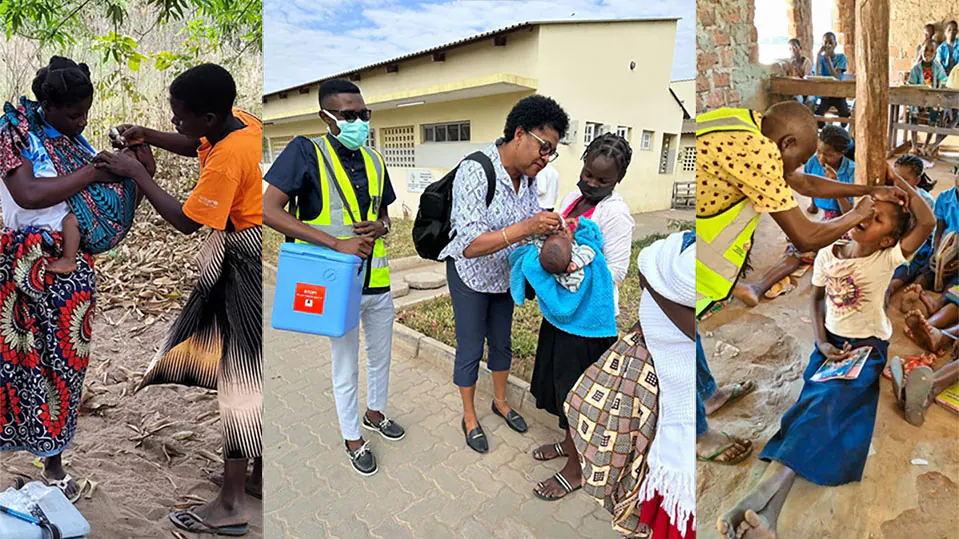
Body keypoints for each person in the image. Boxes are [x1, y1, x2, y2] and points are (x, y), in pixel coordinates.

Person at [717, 172, 935, 538]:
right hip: (830, 345)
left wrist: (896, 181)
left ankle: (764, 492)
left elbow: (926, 221)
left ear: (888, 238)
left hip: (866, 349)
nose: (865, 215)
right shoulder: (827, 252)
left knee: (825, 404)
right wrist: (820, 342)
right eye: (865, 208)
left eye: (876, 217)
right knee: (812, 406)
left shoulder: (886, 259)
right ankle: (769, 518)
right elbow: (816, 299)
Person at [101, 63, 263, 535]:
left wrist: (134, 171)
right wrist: (147, 134)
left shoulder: (228, 160)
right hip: (247, 250)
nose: (175, 124)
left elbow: (187, 220)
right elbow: (198, 143)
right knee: (244, 361)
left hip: (243, 264)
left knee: (241, 376)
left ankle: (231, 504)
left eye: (180, 117)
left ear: (211, 117)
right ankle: (255, 474)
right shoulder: (245, 124)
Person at [695, 102, 906, 464]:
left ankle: (707, 394)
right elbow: (807, 237)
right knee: (680, 343)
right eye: (798, 158)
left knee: (688, 336)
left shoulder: (744, 122)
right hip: (697, 267)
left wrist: (870, 187)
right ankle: (698, 435)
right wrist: (856, 212)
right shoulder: (759, 153)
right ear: (787, 143)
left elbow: (801, 181)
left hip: (700, 264)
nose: (795, 169)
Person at [0, 56, 148, 501]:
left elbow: (121, 188)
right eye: (72, 114)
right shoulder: (15, 133)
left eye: (86, 112)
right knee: (13, 364)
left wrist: (136, 156)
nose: (81, 121)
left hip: (70, 274)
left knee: (63, 369)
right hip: (21, 264)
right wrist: (92, 172)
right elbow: (27, 194)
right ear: (46, 104)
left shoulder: (71, 140)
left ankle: (53, 463)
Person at [262, 79, 404, 476]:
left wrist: (381, 226)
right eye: (349, 115)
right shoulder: (305, 152)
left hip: (377, 281)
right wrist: (333, 243)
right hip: (334, 282)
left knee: (380, 358)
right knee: (346, 365)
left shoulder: (376, 159)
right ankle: (352, 438)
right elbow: (268, 209)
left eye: (364, 114)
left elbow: (386, 215)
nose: (359, 121)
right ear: (325, 117)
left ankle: (375, 413)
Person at [438, 94, 568, 454]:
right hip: (470, 274)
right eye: (544, 148)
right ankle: (468, 416)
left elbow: (528, 226)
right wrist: (526, 227)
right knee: (469, 346)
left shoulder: (527, 178)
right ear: (520, 134)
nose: (546, 159)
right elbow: (469, 244)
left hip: (502, 275)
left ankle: (500, 401)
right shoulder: (475, 170)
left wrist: (553, 231)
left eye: (551, 153)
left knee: (502, 342)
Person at [524, 133, 634, 500]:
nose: (591, 183)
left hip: (587, 323)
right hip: (561, 313)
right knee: (559, 389)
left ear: (618, 178)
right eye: (588, 174)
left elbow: (616, 272)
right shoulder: (573, 199)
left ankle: (576, 470)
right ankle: (567, 445)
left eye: (603, 180)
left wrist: (572, 265)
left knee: (579, 397)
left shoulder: (616, 215)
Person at [735, 126, 856, 307]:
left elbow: (850, 214)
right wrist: (813, 207)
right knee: (799, 244)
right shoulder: (814, 162)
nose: (822, 158)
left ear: (841, 153)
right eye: (819, 151)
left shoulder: (852, 171)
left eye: (829, 154)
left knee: (814, 249)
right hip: (825, 217)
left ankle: (758, 288)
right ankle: (757, 288)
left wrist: (836, 185)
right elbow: (810, 187)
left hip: (845, 222)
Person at [887, 178, 958, 300]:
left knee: (953, 288)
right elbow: (939, 230)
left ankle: (939, 305)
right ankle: (906, 288)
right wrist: (936, 254)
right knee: (922, 265)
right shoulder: (944, 197)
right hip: (943, 248)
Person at [907, 39, 948, 153]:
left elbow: (944, 80)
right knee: (913, 113)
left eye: (931, 51)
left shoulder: (938, 67)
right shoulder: (916, 68)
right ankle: (914, 145)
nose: (928, 53)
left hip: (932, 99)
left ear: (935, 53)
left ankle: (926, 144)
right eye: (925, 50)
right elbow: (911, 85)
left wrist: (941, 84)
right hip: (918, 99)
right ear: (921, 51)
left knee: (934, 112)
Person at [813, 32, 850, 127]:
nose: (828, 45)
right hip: (826, 94)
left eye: (830, 42)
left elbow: (836, 77)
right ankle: (826, 131)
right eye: (825, 43)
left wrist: (828, 59)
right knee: (818, 115)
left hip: (839, 94)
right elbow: (817, 75)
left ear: (835, 44)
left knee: (845, 115)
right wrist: (818, 55)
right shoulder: (821, 59)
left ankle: (841, 133)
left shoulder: (841, 57)